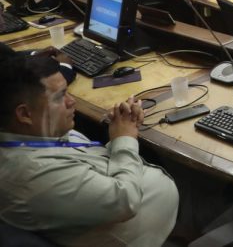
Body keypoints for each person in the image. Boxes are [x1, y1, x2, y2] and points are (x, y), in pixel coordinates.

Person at [0, 53, 179, 246]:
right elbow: (125, 200)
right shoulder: (32, 174)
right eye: (60, 96)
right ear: (25, 114)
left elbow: (90, 163)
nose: (71, 101)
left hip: (145, 198)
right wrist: (124, 138)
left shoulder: (39, 133)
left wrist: (120, 128)